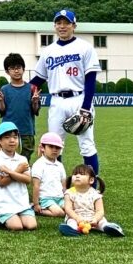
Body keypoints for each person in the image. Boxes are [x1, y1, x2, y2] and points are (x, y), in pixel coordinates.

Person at [30, 9, 102, 178]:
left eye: (66, 23)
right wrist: (18, 89)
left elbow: (91, 79)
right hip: (56, 101)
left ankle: (92, 185)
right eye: (59, 23)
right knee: (54, 144)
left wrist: (86, 107)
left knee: (87, 145)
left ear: (74, 26)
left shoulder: (85, 47)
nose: (62, 26)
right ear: (54, 26)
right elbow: (38, 79)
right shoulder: (48, 51)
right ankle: (56, 184)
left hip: (79, 99)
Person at [0, 122, 37, 231]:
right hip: (4, 204)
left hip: (21, 202)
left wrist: (9, 171)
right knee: (17, 227)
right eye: (7, 137)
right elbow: (1, 182)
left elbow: (27, 180)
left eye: (15, 137)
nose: (12, 140)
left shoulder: (22, 159)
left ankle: (16, 216)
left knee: (31, 226)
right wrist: (18, 170)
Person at [0, 53, 41, 161]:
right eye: (12, 68)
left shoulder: (32, 88)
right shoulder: (4, 89)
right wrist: (0, 100)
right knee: (7, 159)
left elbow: (35, 110)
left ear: (23, 69)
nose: (16, 71)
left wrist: (35, 102)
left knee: (24, 160)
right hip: (8, 131)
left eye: (19, 67)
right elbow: (2, 110)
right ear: (7, 71)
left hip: (26, 131)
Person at [59, 164, 124, 237]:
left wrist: (95, 219)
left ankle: (109, 228)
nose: (77, 176)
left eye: (82, 174)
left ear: (91, 180)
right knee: (71, 221)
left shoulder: (96, 194)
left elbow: (100, 211)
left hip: (93, 218)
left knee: (102, 222)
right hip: (76, 217)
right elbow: (68, 209)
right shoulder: (69, 193)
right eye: (75, 174)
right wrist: (77, 218)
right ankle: (72, 229)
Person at [31, 132, 67, 217]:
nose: (54, 150)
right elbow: (36, 186)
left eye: (57, 147)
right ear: (42, 148)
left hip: (60, 198)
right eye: (51, 146)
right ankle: (35, 209)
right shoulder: (39, 164)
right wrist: (36, 204)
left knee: (70, 210)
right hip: (46, 198)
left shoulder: (60, 165)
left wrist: (67, 198)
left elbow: (63, 185)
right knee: (59, 213)